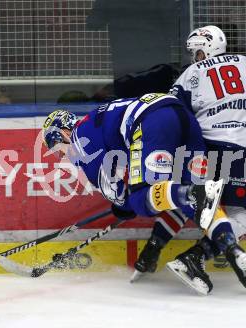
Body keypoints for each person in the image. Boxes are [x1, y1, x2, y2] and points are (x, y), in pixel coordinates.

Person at [42, 93, 235, 295]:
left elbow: (114, 192)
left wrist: (123, 206)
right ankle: (230, 245)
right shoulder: (94, 120)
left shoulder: (79, 141)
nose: (61, 155)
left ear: (64, 132)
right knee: (181, 198)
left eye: (57, 147)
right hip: (179, 113)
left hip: (151, 122)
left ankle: (193, 193)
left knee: (142, 199)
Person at [146, 25, 246, 294]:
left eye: (196, 51)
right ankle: (194, 257)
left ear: (207, 47)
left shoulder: (189, 75)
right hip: (242, 152)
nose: (194, 57)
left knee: (189, 199)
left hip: (202, 151)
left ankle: (153, 247)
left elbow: (172, 117)